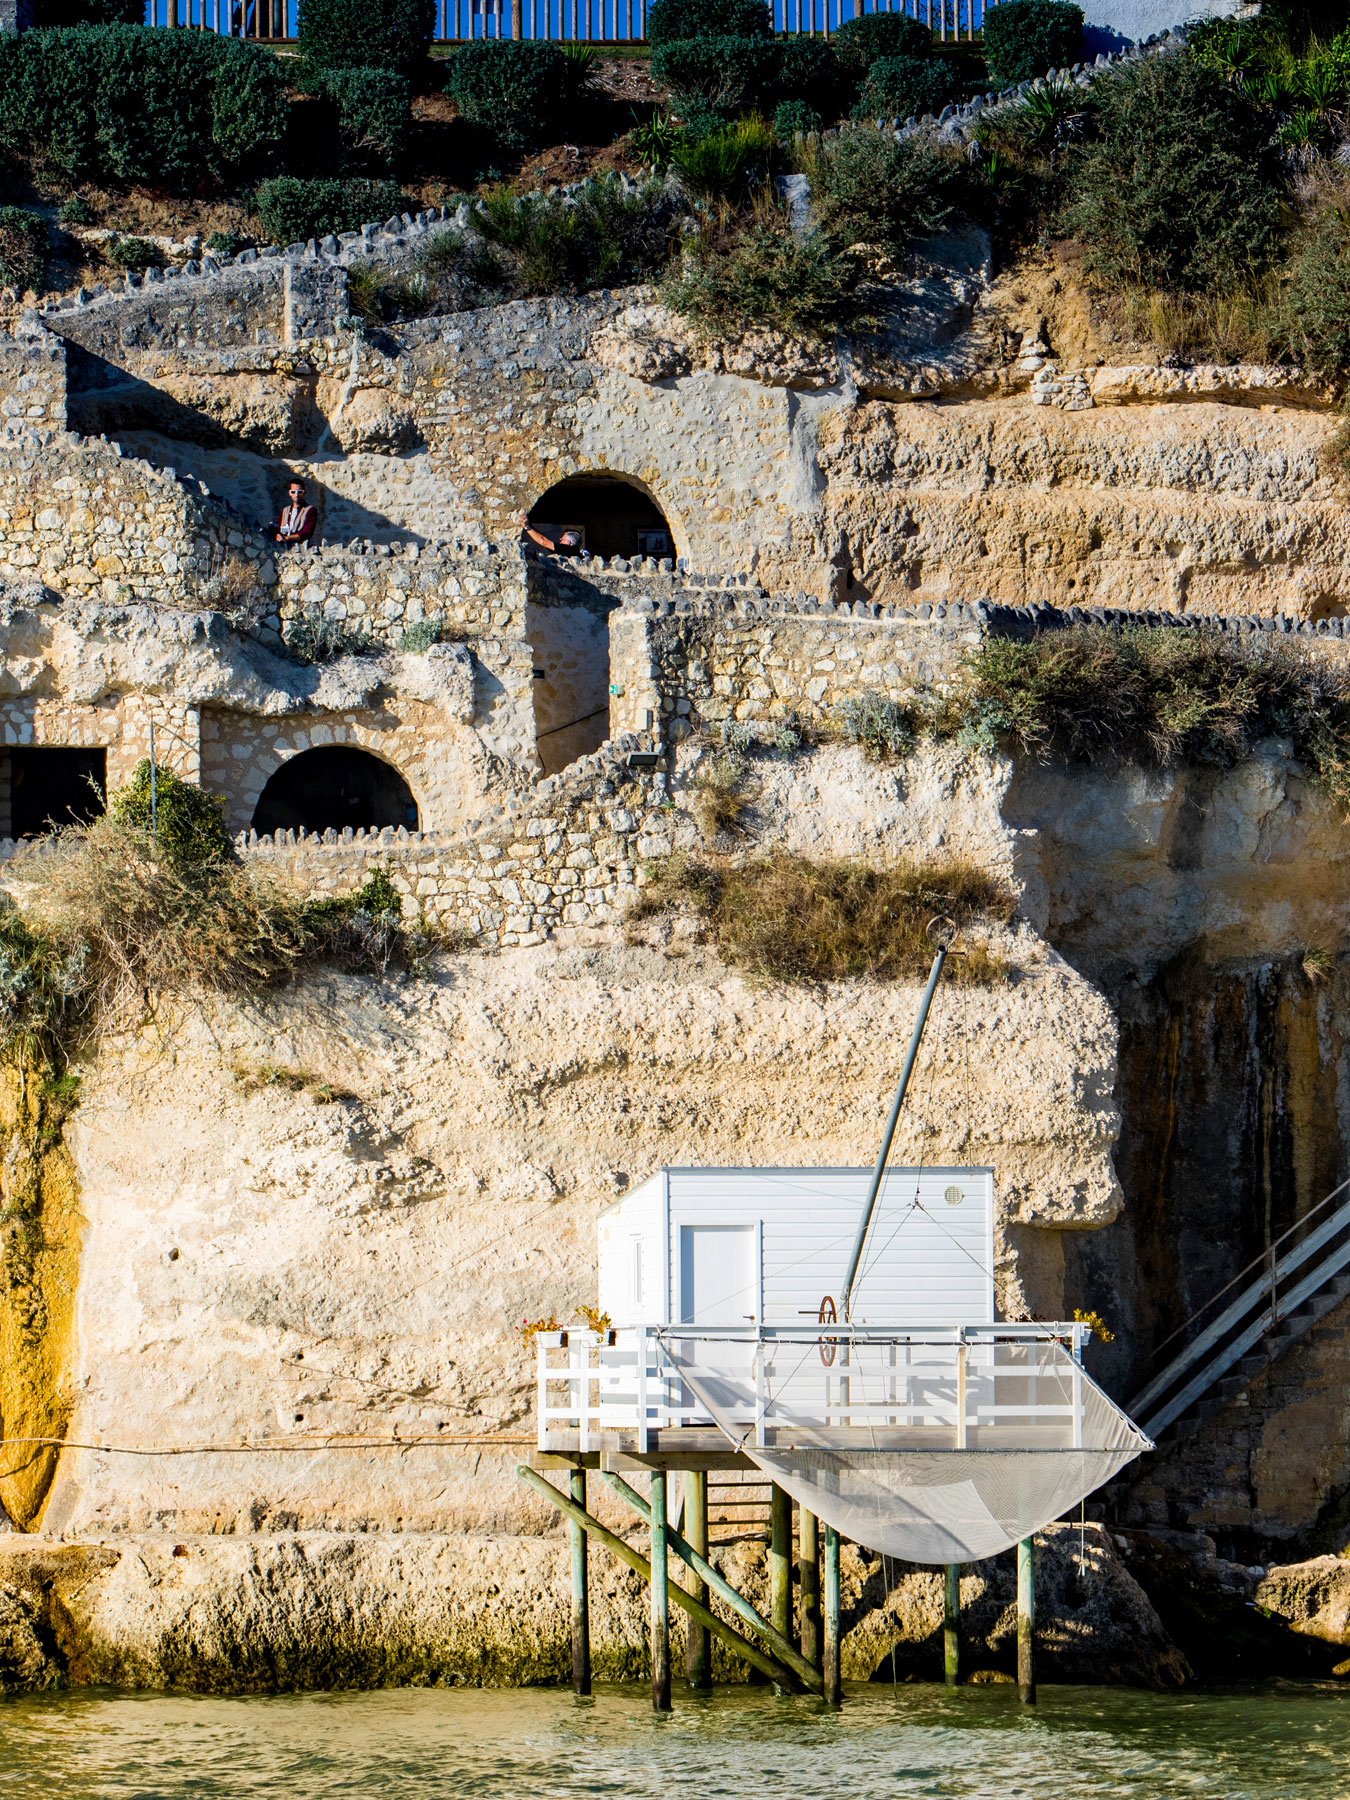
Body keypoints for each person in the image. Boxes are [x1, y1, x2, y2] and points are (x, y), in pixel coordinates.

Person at [269, 480, 317, 548]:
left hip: (299, 547)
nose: (296, 495)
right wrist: (277, 534)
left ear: (304, 493)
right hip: (282, 547)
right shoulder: (285, 510)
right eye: (293, 492)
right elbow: (279, 526)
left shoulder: (310, 510)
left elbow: (307, 532)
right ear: (289, 493)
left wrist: (287, 538)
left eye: (299, 492)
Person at [516, 510, 582, 555]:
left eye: (562, 539)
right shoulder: (578, 553)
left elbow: (543, 541)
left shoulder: (567, 549)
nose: (560, 541)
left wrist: (527, 527)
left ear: (568, 542)